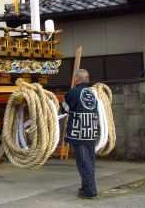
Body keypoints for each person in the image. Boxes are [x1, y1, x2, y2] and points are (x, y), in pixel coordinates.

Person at [63, 69, 100, 199]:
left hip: (79, 133)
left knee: (83, 163)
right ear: (87, 80)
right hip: (91, 131)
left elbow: (65, 108)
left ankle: (90, 190)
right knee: (89, 161)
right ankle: (86, 187)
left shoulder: (73, 92)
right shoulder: (92, 93)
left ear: (76, 80)